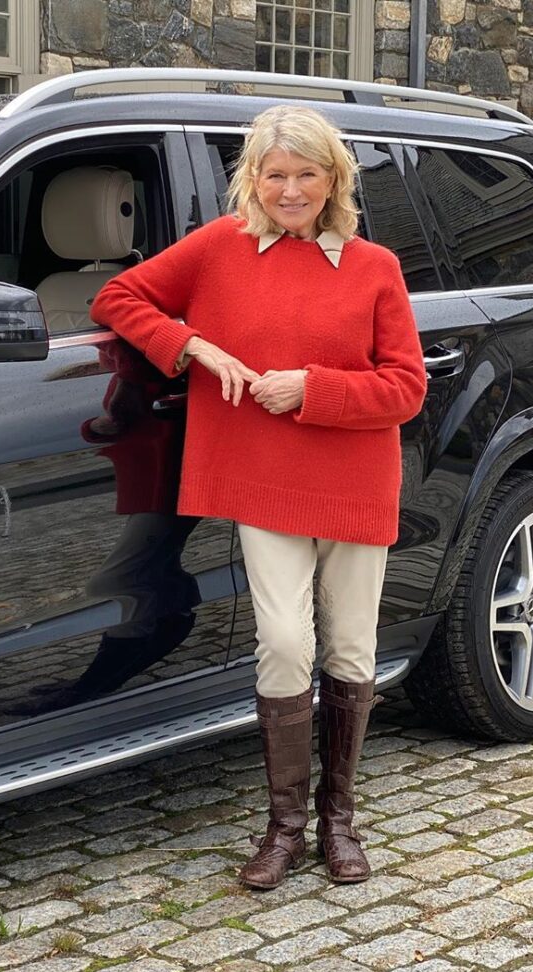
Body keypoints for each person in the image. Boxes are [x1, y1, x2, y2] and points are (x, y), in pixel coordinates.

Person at [88, 104, 427, 890]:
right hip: (262, 484)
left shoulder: (374, 266)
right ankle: (284, 828)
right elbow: (119, 299)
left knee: (350, 651)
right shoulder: (219, 249)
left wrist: (311, 388)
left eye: (306, 173)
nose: (290, 188)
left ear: (333, 178)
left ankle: (340, 824)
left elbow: (405, 387)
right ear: (253, 178)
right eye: (275, 174)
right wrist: (193, 345)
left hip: (352, 486)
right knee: (283, 644)